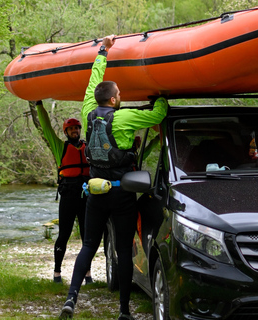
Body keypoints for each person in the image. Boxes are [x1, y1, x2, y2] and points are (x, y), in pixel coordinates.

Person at [59, 35, 168, 320]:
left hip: (94, 192)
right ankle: (123, 311)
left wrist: (103, 51)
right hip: (121, 194)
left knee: (88, 246)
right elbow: (161, 112)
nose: (121, 95)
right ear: (112, 99)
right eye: (118, 93)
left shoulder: (86, 111)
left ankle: (71, 299)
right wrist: (160, 93)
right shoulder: (125, 118)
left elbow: (94, 78)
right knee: (122, 248)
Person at [36, 101, 93, 284]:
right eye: (71, 129)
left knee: (87, 236)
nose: (75, 131)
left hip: (86, 196)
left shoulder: (88, 147)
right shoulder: (60, 146)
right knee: (64, 235)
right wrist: (39, 105)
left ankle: (87, 274)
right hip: (68, 196)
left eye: (77, 128)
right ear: (66, 132)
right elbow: (46, 128)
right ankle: (57, 272)